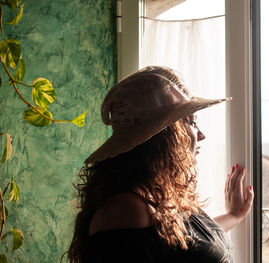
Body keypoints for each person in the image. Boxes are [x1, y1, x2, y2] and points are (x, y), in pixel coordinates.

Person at [66, 66, 254, 263]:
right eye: (191, 122)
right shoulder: (124, 210)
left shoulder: (155, 195)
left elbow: (185, 246)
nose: (201, 134)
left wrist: (233, 215)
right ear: (164, 137)